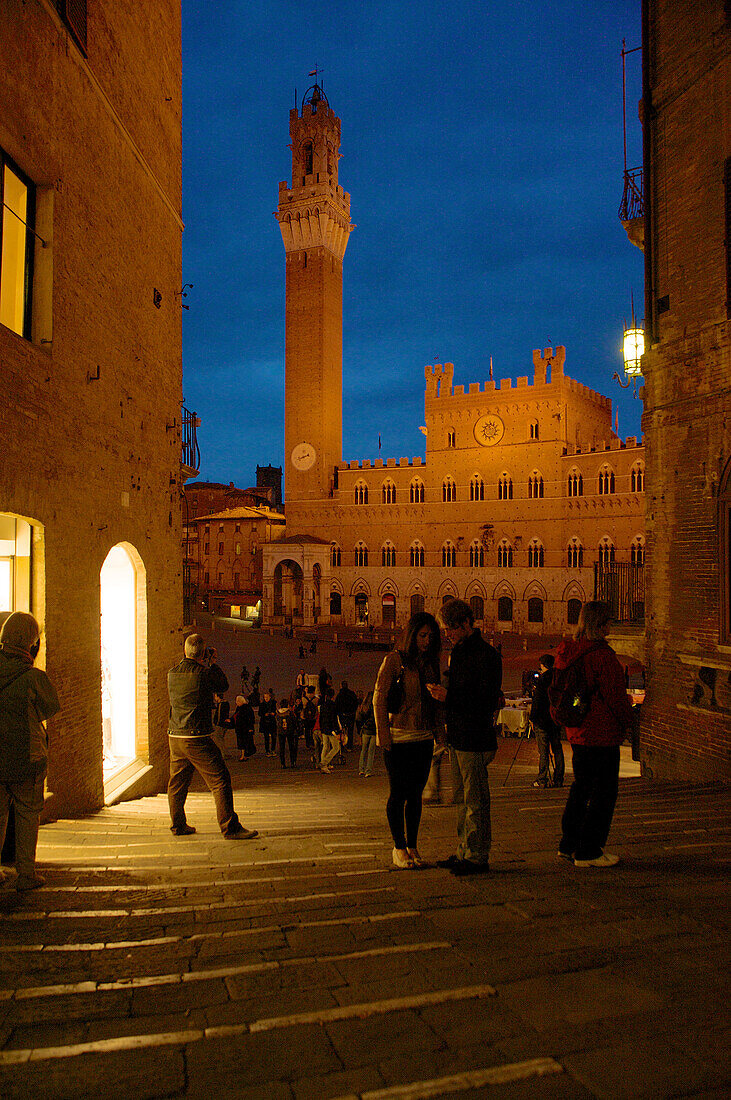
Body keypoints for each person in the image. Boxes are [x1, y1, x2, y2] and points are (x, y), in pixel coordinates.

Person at [555, 601, 633, 868]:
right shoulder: (602, 655)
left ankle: (568, 845)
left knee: (581, 787)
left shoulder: (568, 651)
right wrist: (627, 723)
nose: (611, 625)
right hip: (601, 733)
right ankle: (589, 851)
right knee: (604, 792)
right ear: (600, 625)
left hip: (577, 732)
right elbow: (616, 697)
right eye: (609, 621)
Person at [429, 599, 502, 876]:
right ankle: (464, 849)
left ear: (466, 624)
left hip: (475, 736)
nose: (447, 634)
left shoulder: (487, 656)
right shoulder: (459, 651)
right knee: (461, 798)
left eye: (451, 629)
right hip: (458, 736)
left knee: (475, 800)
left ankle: (477, 855)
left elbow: (485, 700)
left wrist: (449, 696)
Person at [167, 634, 258, 839]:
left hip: (175, 736)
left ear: (185, 650)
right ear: (203, 653)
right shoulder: (203, 673)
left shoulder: (172, 673)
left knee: (177, 783)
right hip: (196, 736)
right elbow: (223, 685)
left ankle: (178, 825)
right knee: (220, 779)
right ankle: (230, 827)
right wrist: (212, 663)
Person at [374, 612, 443, 869]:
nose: (426, 641)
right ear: (412, 635)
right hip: (399, 736)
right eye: (423, 635)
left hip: (423, 737)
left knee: (415, 795)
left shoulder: (430, 663)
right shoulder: (394, 660)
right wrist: (384, 737)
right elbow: (379, 699)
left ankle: (412, 845)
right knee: (399, 793)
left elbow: (435, 706)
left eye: (430, 637)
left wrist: (440, 736)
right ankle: (398, 847)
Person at [0, 612, 60, 890]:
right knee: (26, 815)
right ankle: (26, 874)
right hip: (27, 759)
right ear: (31, 642)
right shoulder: (34, 677)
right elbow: (49, 710)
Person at [530, 654, 565, 788]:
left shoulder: (543, 680)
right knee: (557, 749)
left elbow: (537, 701)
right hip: (555, 719)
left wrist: (532, 719)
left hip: (542, 721)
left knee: (543, 751)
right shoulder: (558, 678)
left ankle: (542, 779)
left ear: (542, 665)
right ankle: (558, 778)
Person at [225, 694, 256, 761]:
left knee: (245, 742)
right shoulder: (239, 708)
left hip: (245, 728)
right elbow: (235, 716)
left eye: (238, 701)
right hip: (239, 728)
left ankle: (244, 755)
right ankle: (244, 755)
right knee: (242, 742)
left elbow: (251, 718)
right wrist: (230, 720)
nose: (236, 703)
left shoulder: (247, 708)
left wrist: (251, 728)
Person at [318, 687, 340, 772]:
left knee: (325, 747)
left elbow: (321, 718)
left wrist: (321, 728)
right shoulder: (334, 705)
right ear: (333, 696)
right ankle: (324, 763)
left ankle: (324, 766)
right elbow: (334, 719)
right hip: (331, 729)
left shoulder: (322, 705)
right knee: (336, 747)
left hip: (324, 728)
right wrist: (336, 730)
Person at [356, 690, 377, 777]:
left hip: (365, 730)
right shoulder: (375, 707)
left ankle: (361, 769)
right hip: (373, 731)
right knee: (371, 752)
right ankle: (368, 771)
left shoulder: (363, 707)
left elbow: (359, 719)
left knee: (363, 750)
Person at [335, 680, 359, 750]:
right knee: (350, 731)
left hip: (342, 715)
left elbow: (337, 705)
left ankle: (342, 746)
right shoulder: (352, 694)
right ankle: (349, 746)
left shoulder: (339, 695)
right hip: (351, 715)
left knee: (342, 731)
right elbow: (356, 703)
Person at [276, 698, 298, 768]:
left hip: (280, 732)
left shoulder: (278, 713)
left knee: (282, 748)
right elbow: (294, 722)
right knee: (291, 747)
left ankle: (283, 763)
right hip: (290, 731)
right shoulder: (290, 712)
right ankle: (292, 762)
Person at [258, 688, 277, 757]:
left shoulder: (273, 703)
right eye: (265, 697)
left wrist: (273, 713)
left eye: (267, 697)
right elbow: (259, 713)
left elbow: (275, 711)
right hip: (265, 722)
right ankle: (267, 750)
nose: (266, 698)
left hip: (272, 721)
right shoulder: (262, 704)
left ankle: (273, 749)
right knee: (266, 737)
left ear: (270, 697)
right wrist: (264, 714)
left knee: (274, 736)